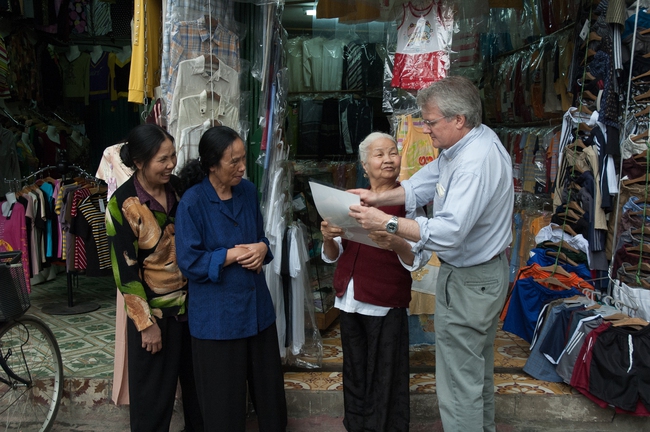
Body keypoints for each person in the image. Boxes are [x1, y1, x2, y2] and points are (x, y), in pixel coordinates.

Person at [348, 76, 514, 432]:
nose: (425, 128)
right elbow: (421, 184)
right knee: (473, 374)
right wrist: (375, 198)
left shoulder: (474, 162)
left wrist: (387, 224)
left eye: (431, 121)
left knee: (458, 386)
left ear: (459, 119)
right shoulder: (465, 146)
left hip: (472, 280)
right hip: (478, 277)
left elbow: (450, 232)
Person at [174, 126, 287, 431]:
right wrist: (233, 255)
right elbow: (190, 262)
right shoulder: (192, 203)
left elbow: (260, 237)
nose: (241, 168)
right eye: (233, 162)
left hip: (257, 312)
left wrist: (263, 248)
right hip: (217, 321)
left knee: (271, 399)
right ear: (211, 165)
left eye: (242, 159)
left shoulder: (247, 191)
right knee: (223, 407)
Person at [321, 132, 429, 431]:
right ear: (365, 165)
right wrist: (329, 237)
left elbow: (416, 260)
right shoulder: (350, 201)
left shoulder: (409, 206)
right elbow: (333, 254)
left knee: (386, 376)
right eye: (379, 154)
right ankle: (356, 425)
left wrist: (396, 243)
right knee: (354, 371)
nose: (388, 160)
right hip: (349, 300)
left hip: (384, 303)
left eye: (393, 153)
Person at [105, 124, 203, 431]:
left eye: (173, 156)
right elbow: (126, 274)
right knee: (152, 405)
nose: (171, 164)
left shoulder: (180, 190)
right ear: (139, 162)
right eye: (163, 159)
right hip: (154, 318)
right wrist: (146, 326)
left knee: (199, 397)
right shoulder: (122, 205)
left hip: (193, 312)